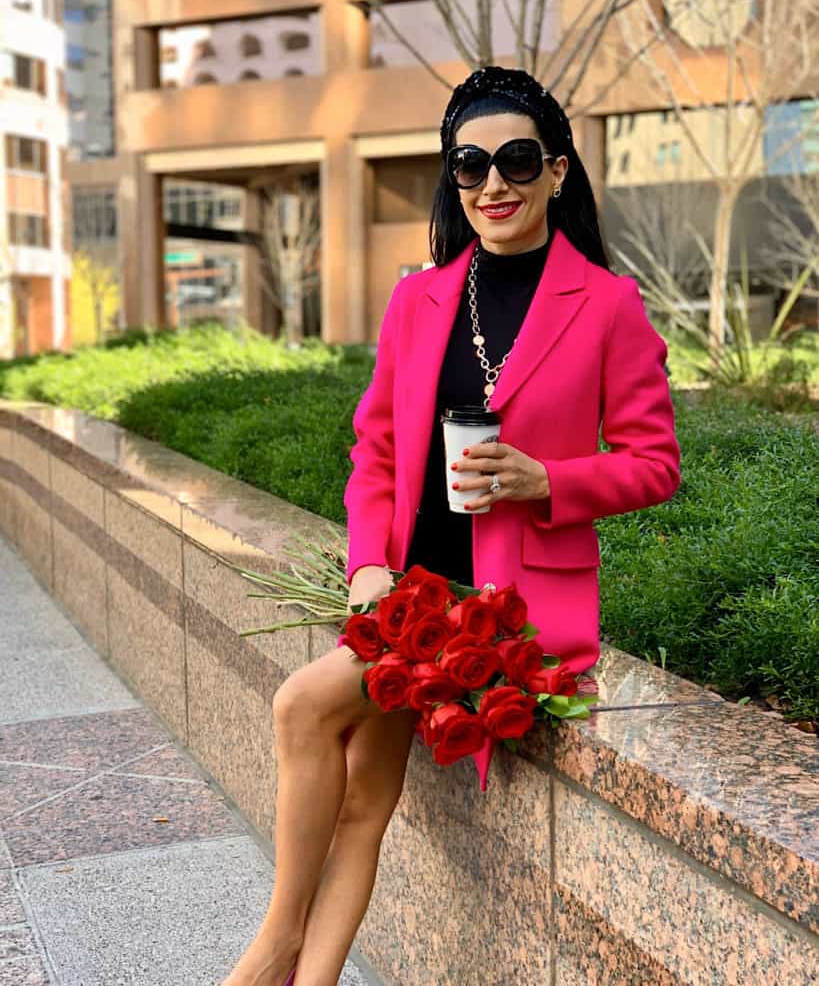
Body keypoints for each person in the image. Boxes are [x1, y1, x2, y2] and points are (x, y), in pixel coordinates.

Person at [222, 66, 680, 986]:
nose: (492, 185)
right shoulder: (419, 298)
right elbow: (376, 455)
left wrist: (546, 477)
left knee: (301, 704)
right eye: (469, 167)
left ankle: (271, 950)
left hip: (502, 612)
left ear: (556, 169)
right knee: (363, 800)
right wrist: (364, 570)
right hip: (406, 589)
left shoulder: (606, 305)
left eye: (515, 161)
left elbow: (653, 462)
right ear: (453, 179)